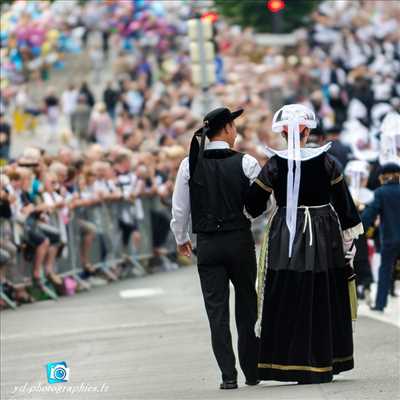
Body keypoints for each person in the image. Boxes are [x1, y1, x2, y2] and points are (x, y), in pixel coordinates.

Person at [245, 104, 363, 384]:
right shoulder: (327, 161)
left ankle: (289, 363)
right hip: (324, 231)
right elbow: (345, 204)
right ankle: (326, 360)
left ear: (284, 134)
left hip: (286, 232)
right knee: (323, 289)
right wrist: (349, 237)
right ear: (308, 131)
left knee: (289, 288)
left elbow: (252, 205)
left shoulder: (274, 164)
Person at [170, 107, 261, 389]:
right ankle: (251, 370)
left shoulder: (190, 164)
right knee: (247, 306)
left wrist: (180, 236)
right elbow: (262, 205)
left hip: (208, 243)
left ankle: (228, 375)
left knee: (216, 312)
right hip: (239, 241)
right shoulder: (246, 163)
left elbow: (180, 206)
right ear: (229, 129)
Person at [362, 163, 400, 312]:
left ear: (383, 177)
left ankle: (380, 304)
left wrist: (358, 228)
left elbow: (369, 215)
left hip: (390, 239)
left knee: (385, 270)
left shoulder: (380, 193)